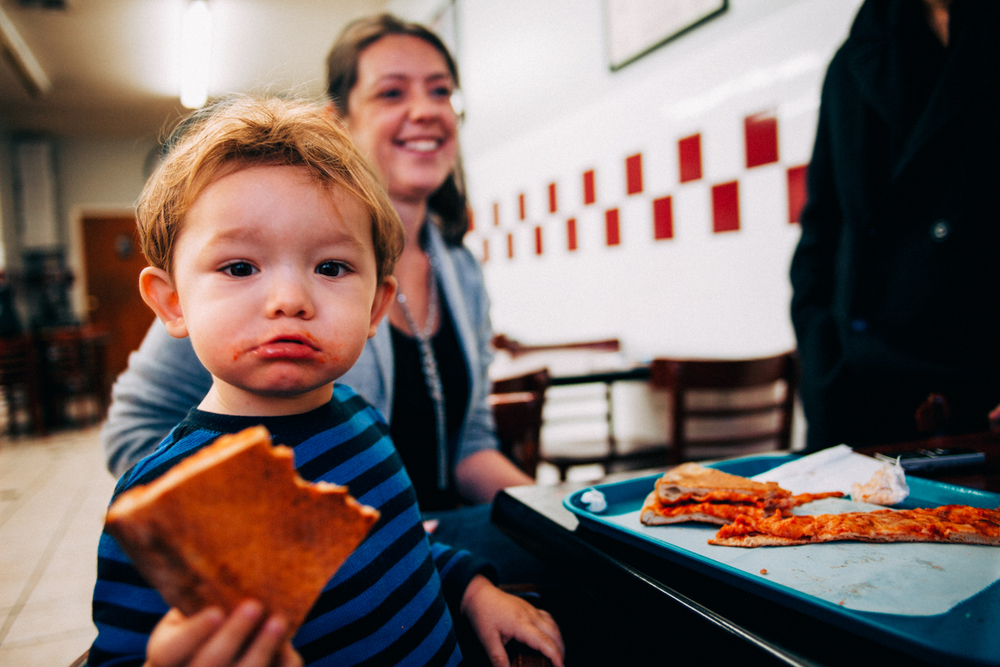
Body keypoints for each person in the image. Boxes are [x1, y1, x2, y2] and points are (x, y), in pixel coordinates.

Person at [88, 95, 564, 667]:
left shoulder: (363, 422)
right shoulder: (169, 499)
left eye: (331, 268)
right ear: (171, 303)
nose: (290, 300)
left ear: (374, 309)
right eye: (240, 267)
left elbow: (402, 547)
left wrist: (472, 589)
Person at [100, 13, 540, 584]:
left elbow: (470, 443)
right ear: (340, 120)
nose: (427, 109)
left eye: (441, 92)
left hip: (423, 536)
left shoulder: (460, 269)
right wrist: (270, 532)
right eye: (392, 92)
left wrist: (555, 508)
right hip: (327, 548)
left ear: (377, 301)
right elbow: (136, 425)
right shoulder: (247, 266)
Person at [790, 0, 1000, 452]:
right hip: (861, 397)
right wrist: (824, 370)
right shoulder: (853, 62)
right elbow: (820, 234)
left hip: (983, 392)